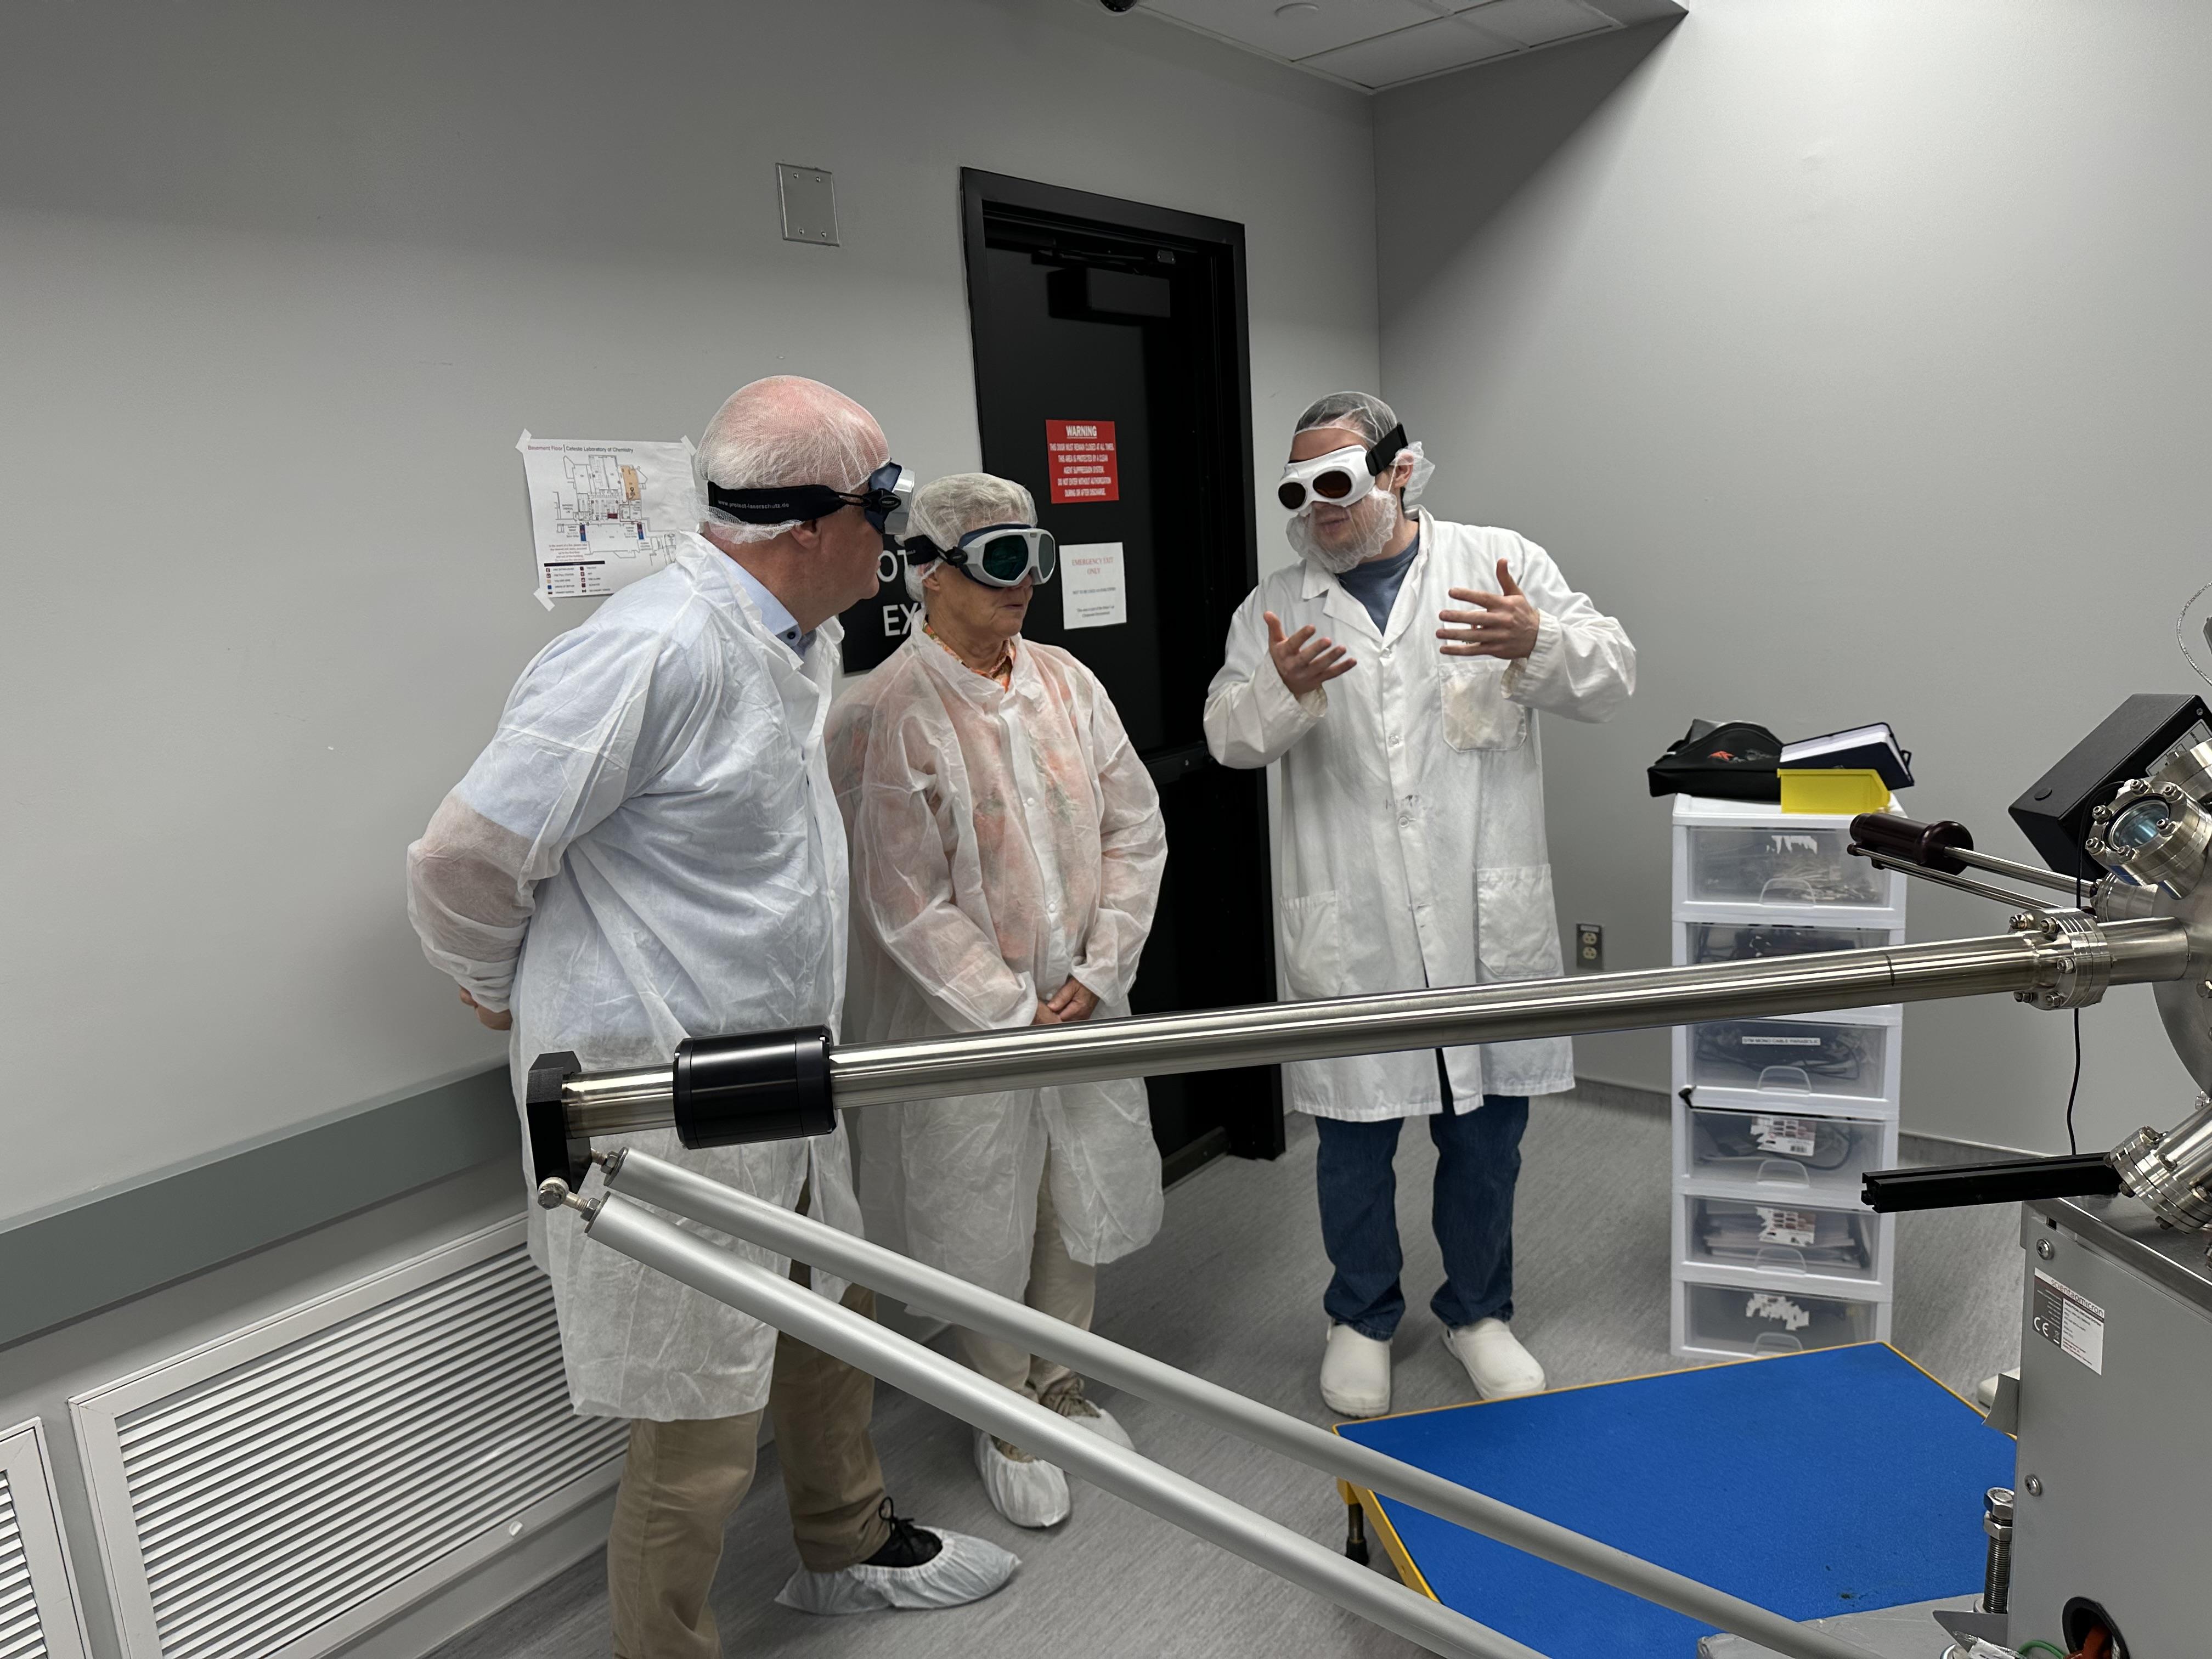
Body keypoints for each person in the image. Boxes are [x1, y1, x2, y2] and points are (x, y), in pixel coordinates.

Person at [405, 377, 1015, 1659]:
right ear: (807, 527)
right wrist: (495, 982)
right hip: (660, 1105)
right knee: (692, 1435)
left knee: (824, 1317)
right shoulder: (650, 649)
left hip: (778, 1071)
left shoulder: (799, 635)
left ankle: (847, 1548)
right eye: (886, 502)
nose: (900, 532)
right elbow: (463, 857)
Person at [1202, 391, 1635, 1419]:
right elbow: (1227, 735)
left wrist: (1534, 641)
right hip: (1352, 926)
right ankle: (1360, 1317)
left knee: (1486, 1136)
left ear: (1400, 473)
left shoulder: (1501, 562)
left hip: (1483, 912)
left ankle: (1479, 1312)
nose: (1319, 511)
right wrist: (1281, 691)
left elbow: (1613, 675)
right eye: (1298, 494)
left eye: (1338, 485)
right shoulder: (1279, 603)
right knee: (1353, 1141)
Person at [828, 473, 1168, 1530]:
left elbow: (1134, 828)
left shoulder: (1068, 682)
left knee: (1074, 1192)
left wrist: (1096, 971)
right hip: (963, 1024)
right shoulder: (882, 711)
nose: (1026, 586)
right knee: (981, 1206)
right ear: (929, 575)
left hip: (1079, 1001)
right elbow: (901, 897)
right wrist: (1005, 1004)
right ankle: (1004, 1408)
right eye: (1000, 563)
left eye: (1037, 558)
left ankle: (1060, 1381)